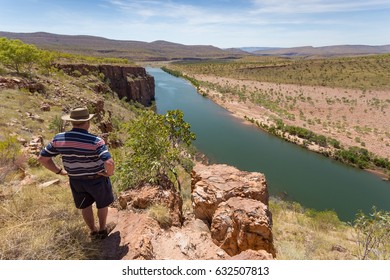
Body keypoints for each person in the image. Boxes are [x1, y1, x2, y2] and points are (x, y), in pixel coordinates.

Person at [38, 107, 116, 239]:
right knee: (102, 204)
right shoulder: (96, 141)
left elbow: (42, 158)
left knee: (85, 206)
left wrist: (59, 171)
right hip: (97, 179)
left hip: (76, 181)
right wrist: (108, 173)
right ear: (88, 122)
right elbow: (109, 162)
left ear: (72, 122)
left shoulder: (59, 138)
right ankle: (102, 230)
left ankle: (93, 231)